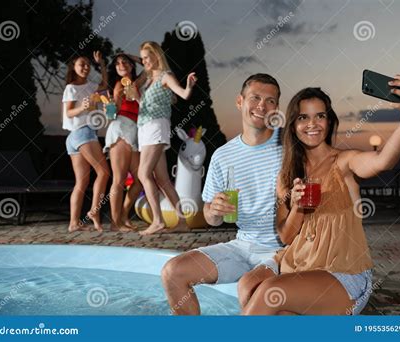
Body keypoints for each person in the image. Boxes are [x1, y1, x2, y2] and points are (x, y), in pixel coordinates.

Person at [242, 75, 400, 315]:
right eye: (303, 117)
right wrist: (297, 207)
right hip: (297, 261)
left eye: (320, 116)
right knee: (247, 286)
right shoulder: (286, 175)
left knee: (269, 293)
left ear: (329, 121)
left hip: (341, 270)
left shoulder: (344, 162)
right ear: (293, 124)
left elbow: (382, 161)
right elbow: (285, 236)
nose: (312, 124)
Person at [161, 73, 284, 315]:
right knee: (172, 272)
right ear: (240, 102)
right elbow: (209, 217)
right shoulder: (222, 155)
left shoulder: (289, 148)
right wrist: (214, 210)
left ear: (276, 108)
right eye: (255, 97)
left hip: (281, 250)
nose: (262, 106)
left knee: (252, 293)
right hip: (242, 245)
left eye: (270, 100)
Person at [136, 41, 197, 235]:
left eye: (147, 56)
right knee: (162, 180)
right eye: (142, 58)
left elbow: (183, 94)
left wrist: (188, 86)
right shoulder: (147, 80)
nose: (144, 61)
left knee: (143, 174)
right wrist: (136, 97)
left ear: (156, 56)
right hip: (144, 129)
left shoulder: (165, 76)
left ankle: (158, 221)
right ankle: (182, 222)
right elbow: (144, 105)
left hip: (156, 127)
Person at [62, 51, 110, 233]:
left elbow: (105, 85)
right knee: (104, 172)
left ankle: (74, 223)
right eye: (81, 64)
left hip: (76, 137)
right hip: (82, 133)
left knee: (81, 182)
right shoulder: (71, 88)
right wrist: (82, 106)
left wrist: (102, 65)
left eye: (88, 65)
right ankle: (94, 212)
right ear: (74, 67)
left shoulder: (91, 86)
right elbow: (69, 112)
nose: (85, 67)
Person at [104, 53, 145, 232]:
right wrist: (112, 105)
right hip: (121, 129)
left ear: (131, 65)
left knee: (140, 180)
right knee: (119, 179)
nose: (121, 64)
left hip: (135, 131)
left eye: (125, 62)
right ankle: (115, 223)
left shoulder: (137, 83)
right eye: (118, 63)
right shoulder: (118, 85)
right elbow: (112, 115)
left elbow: (151, 65)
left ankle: (123, 215)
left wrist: (129, 55)